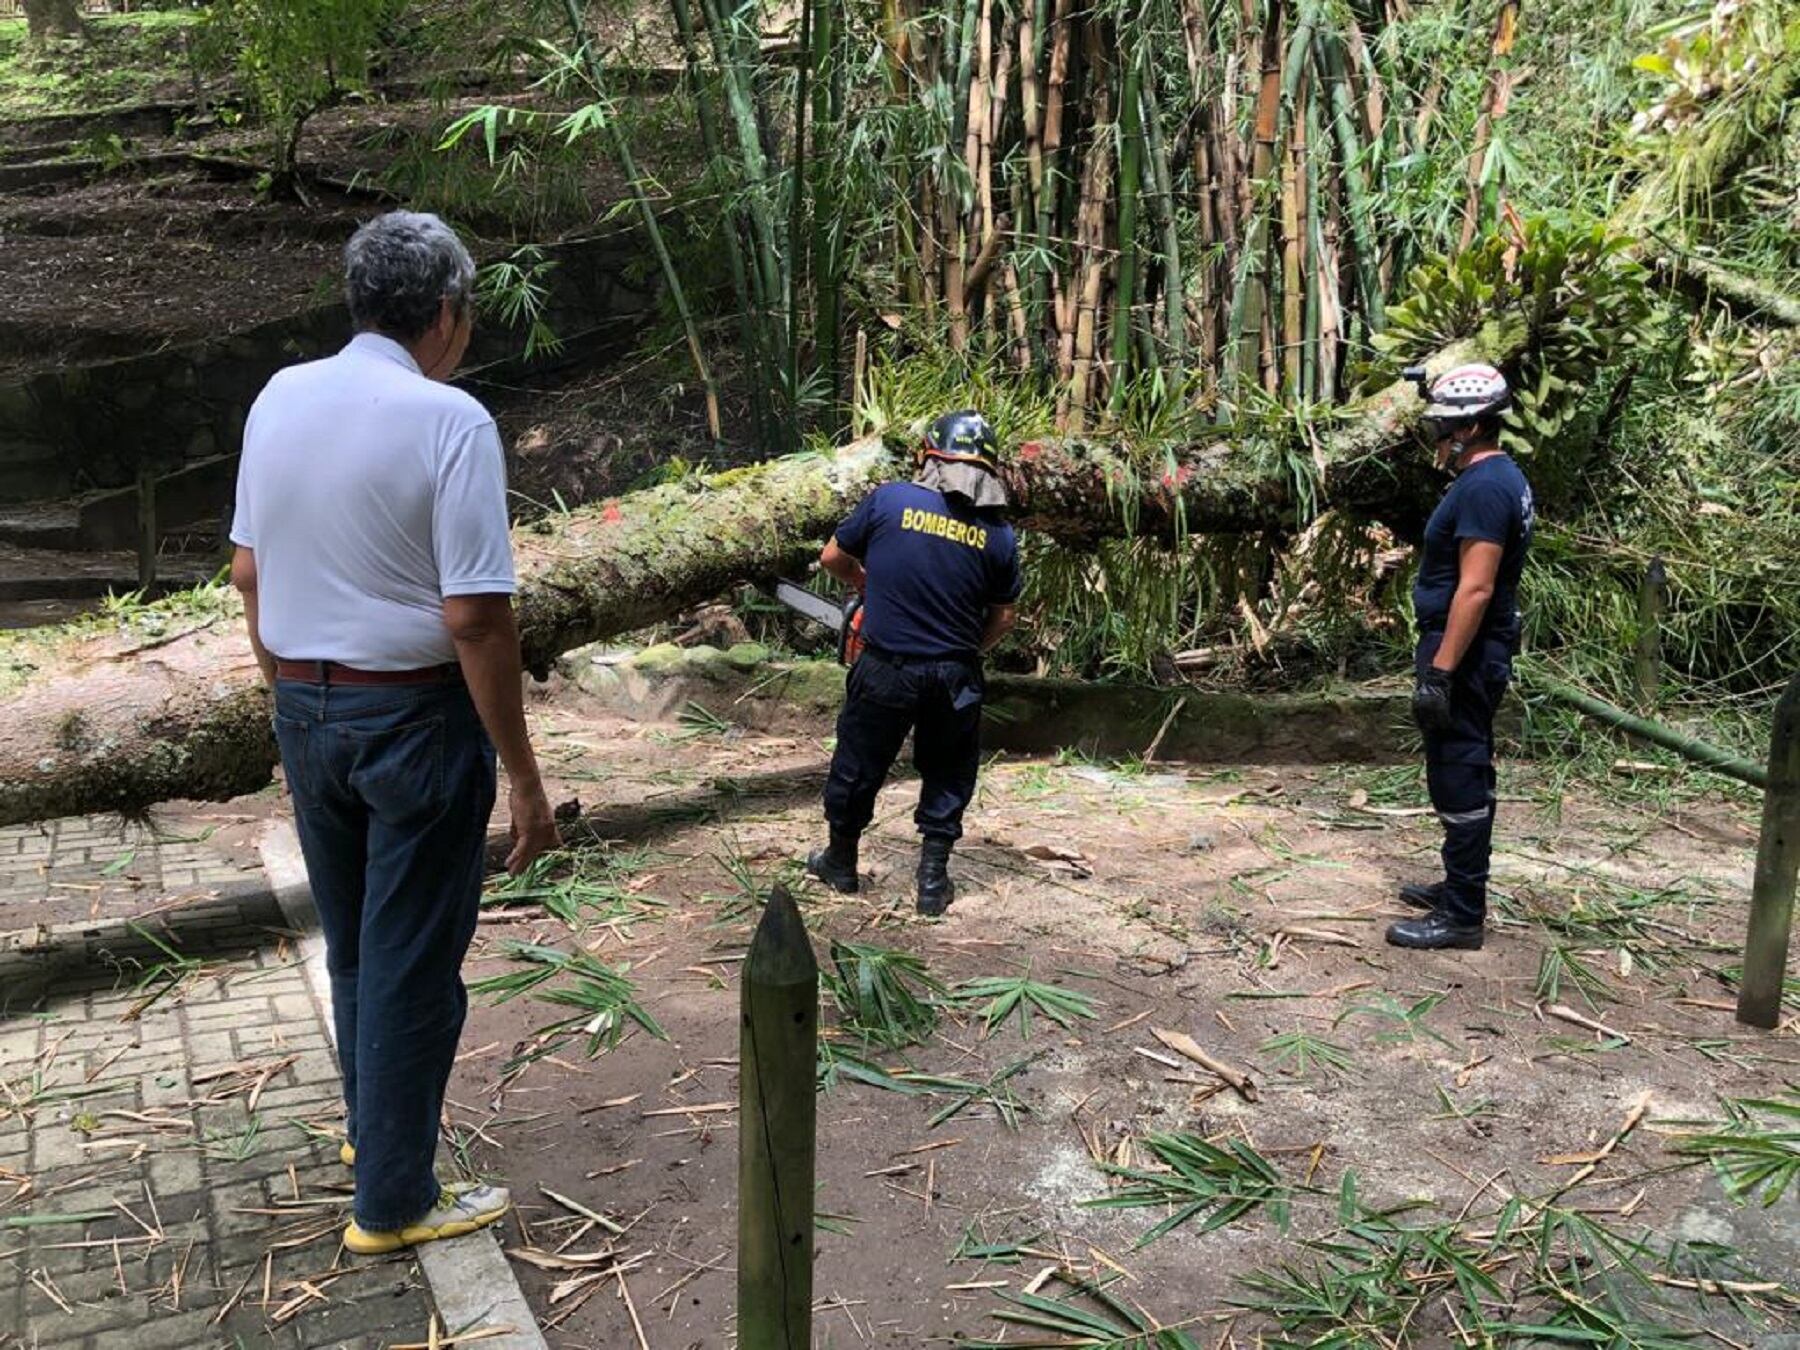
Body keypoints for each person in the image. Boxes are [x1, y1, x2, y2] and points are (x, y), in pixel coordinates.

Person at [229, 211, 560, 1254]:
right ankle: (397, 1202)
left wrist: (291, 686)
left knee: (360, 945)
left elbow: (247, 570)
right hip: (413, 720)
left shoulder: (280, 395)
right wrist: (525, 775)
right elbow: (475, 615)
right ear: (450, 314)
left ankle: (373, 1140)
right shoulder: (449, 419)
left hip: (305, 711)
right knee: (415, 960)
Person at [804, 411, 1022, 916]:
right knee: (949, 770)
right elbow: (1005, 616)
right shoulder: (999, 535)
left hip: (885, 667)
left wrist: (865, 582)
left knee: (859, 762)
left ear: (928, 457)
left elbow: (832, 556)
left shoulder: (890, 499)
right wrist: (969, 649)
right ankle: (931, 881)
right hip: (954, 673)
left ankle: (841, 862)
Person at [1388, 363, 1534, 952]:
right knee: (1463, 763)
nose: (1438, 438)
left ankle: (1463, 915)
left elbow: (1474, 588)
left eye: (1445, 426)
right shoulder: (1499, 479)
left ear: (1472, 427)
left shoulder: (1484, 488)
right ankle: (1457, 886)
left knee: (1459, 769)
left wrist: (1441, 673)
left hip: (1466, 651)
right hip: (1473, 646)